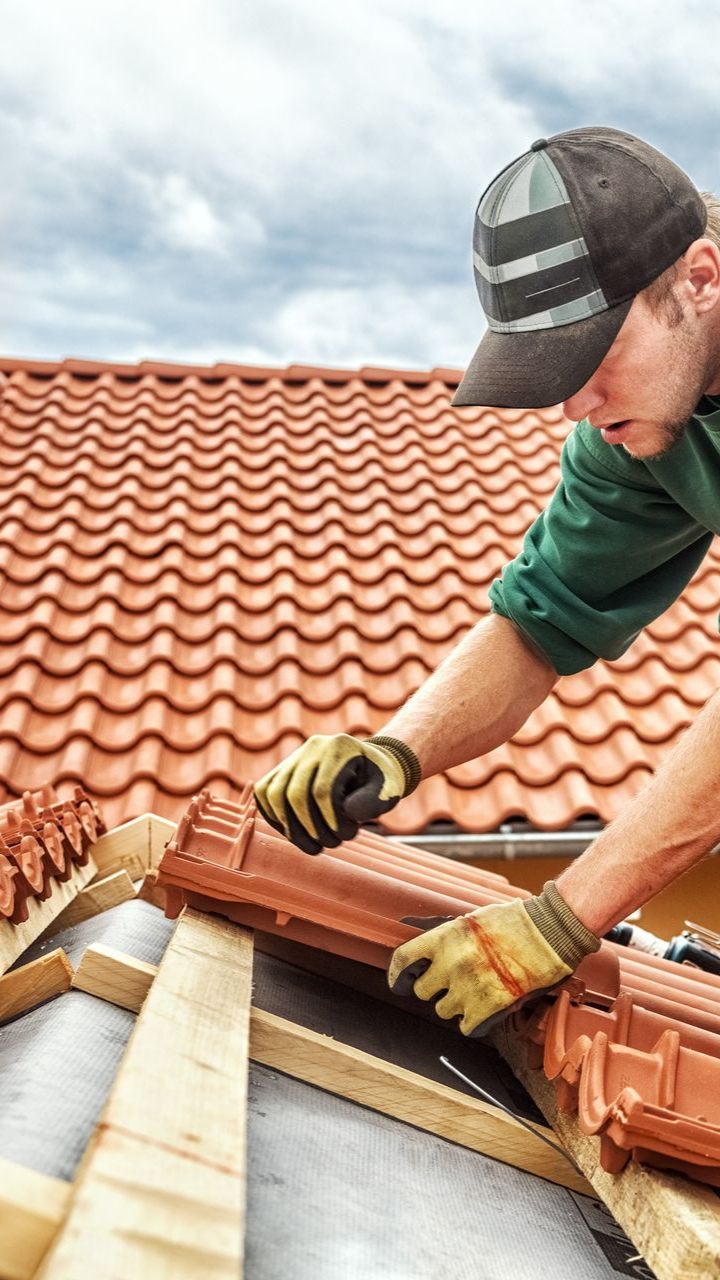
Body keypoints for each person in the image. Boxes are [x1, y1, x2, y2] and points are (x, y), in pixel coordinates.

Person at [254, 125, 720, 1038]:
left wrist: (562, 918)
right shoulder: (643, 421)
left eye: (593, 357)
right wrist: (398, 750)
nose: (575, 405)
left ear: (699, 278)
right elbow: (541, 620)